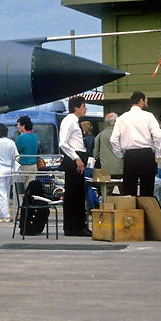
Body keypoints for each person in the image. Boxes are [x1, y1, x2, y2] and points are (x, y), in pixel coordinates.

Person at [110, 91, 161, 197]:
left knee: (129, 192)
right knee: (147, 191)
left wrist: (120, 155)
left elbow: (113, 139)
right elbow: (157, 136)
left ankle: (130, 213)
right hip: (146, 154)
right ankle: (146, 212)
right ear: (141, 101)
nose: (147, 103)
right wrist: (157, 155)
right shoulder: (149, 116)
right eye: (146, 100)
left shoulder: (122, 118)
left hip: (130, 156)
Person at [59, 95, 91, 236]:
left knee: (77, 194)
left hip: (77, 158)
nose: (85, 109)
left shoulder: (75, 121)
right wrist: (76, 158)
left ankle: (76, 225)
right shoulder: (69, 121)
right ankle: (75, 226)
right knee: (74, 195)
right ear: (76, 107)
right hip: (74, 160)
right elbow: (63, 143)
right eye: (83, 106)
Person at [0, 123, 18, 223]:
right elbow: (17, 156)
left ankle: (6, 215)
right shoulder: (11, 142)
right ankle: (3, 214)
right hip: (9, 168)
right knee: (6, 192)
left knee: (1, 193)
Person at [92, 112, 123, 182]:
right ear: (116, 121)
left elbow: (95, 153)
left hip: (105, 170)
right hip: (121, 169)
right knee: (123, 191)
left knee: (106, 192)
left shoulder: (100, 135)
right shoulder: (121, 134)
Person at [15, 115, 40, 192]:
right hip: (33, 166)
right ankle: (28, 203)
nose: (17, 126)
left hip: (23, 165)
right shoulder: (35, 136)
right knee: (30, 188)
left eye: (18, 125)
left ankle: (20, 203)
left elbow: (15, 150)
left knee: (20, 190)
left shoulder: (21, 137)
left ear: (23, 126)